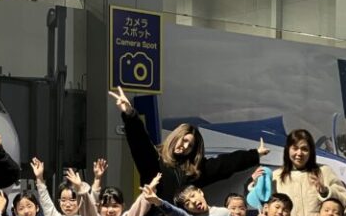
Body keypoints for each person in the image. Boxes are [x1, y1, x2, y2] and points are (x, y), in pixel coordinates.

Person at [110, 85, 269, 201]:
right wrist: (130, 114)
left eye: (190, 146)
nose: (185, 147)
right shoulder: (154, 160)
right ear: (175, 137)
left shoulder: (194, 171)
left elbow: (226, 164)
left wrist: (255, 154)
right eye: (184, 140)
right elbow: (140, 141)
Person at [272, 129, 346, 216]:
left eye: (304, 149)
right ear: (288, 150)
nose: (299, 153)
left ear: (311, 152)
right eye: (295, 148)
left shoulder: (324, 171)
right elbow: (268, 208)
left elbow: (344, 198)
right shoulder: (277, 176)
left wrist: (325, 192)